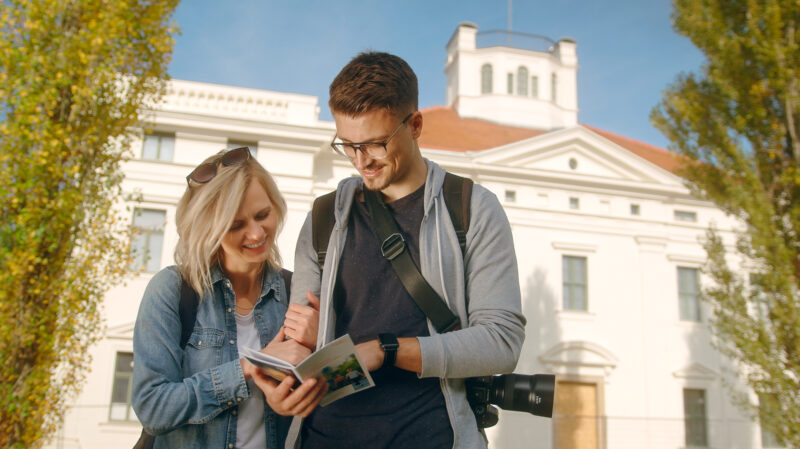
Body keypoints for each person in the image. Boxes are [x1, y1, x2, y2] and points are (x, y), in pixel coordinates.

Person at [285, 52, 526, 448]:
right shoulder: (324, 216)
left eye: (375, 144)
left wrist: (388, 351)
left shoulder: (471, 209)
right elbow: (302, 341)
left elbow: (501, 341)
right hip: (324, 436)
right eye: (347, 144)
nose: (361, 161)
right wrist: (286, 366)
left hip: (431, 436)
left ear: (414, 125)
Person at [132, 147, 326, 449]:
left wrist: (319, 348)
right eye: (236, 225)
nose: (256, 233)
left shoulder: (295, 292)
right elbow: (153, 409)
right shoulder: (171, 290)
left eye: (263, 215)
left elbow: (333, 403)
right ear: (208, 229)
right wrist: (249, 367)